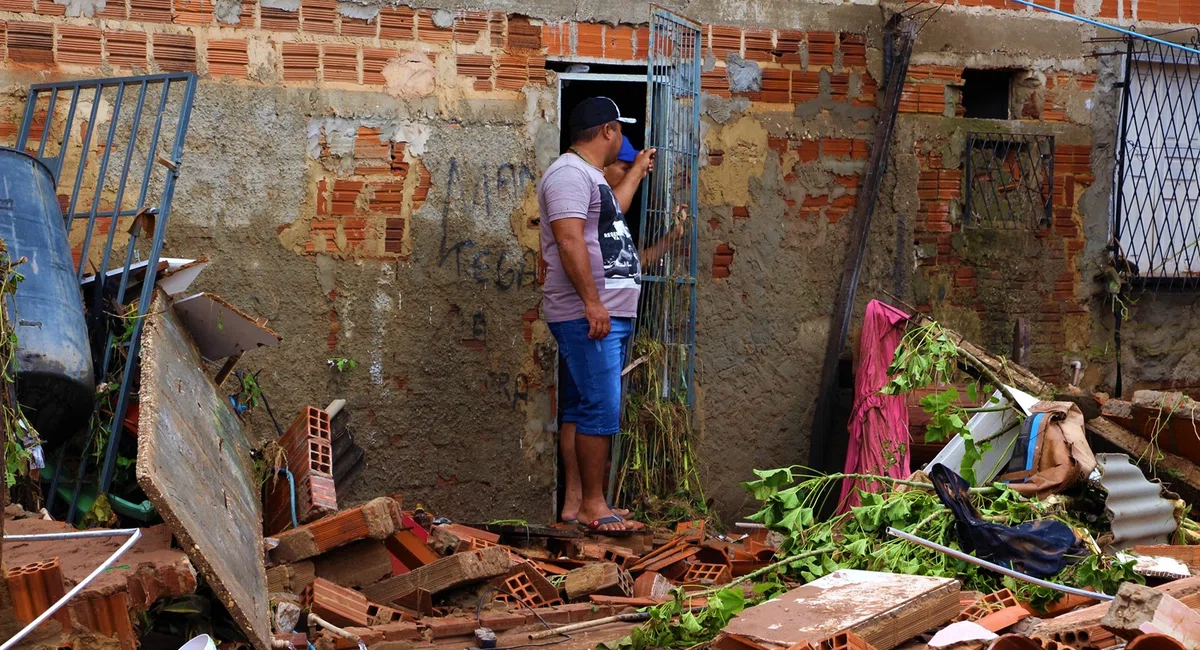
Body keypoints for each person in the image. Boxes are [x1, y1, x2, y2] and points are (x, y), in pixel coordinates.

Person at [538, 97, 655, 533]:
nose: (622, 139)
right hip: (588, 314)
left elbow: (612, 213)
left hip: (607, 313)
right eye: (620, 131)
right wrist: (591, 301)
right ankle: (592, 505)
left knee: (590, 407)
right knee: (600, 410)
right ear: (608, 131)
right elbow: (569, 240)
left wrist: (639, 169)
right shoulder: (569, 173)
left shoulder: (589, 178)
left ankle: (580, 505)